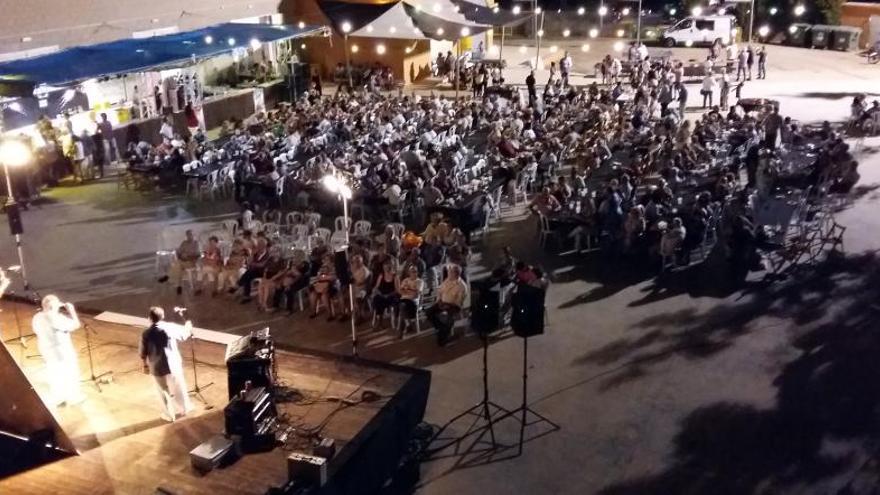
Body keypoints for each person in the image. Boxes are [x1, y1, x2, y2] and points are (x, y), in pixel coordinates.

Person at [139, 307, 193, 422]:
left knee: (162, 391)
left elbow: (143, 352)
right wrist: (187, 320)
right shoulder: (170, 328)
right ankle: (184, 408)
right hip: (173, 364)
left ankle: (169, 415)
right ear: (162, 317)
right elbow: (185, 334)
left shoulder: (146, 333)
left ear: (149, 318)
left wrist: (145, 365)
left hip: (157, 366)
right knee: (179, 387)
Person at [32, 295, 84, 406]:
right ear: (53, 306)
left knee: (54, 373)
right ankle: (74, 397)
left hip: (45, 349)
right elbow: (76, 325)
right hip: (61, 350)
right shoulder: (56, 318)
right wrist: (72, 311)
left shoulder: (37, 317)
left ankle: (58, 398)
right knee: (70, 372)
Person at [427, 264, 468, 346]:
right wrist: (439, 301)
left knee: (446, 318)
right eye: (449, 272)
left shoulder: (462, 286)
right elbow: (440, 291)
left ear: (456, 274)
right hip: (442, 302)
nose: (448, 273)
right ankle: (441, 328)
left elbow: (459, 302)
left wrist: (448, 305)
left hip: (454, 306)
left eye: (450, 272)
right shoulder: (447, 280)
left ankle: (444, 337)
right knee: (429, 312)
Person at [397, 265, 425, 335]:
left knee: (402, 308)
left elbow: (417, 294)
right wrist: (412, 291)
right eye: (412, 272)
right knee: (401, 306)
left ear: (417, 272)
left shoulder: (420, 281)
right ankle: (407, 326)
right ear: (409, 273)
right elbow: (400, 291)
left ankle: (403, 329)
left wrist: (406, 290)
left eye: (415, 271)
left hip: (413, 301)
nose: (414, 273)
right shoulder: (405, 280)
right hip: (404, 300)